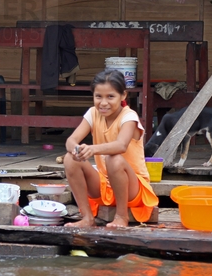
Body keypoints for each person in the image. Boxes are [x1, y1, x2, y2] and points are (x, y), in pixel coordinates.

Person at [64, 69, 158, 228]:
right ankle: (87, 217)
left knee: (114, 158)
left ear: (123, 95)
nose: (103, 103)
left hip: (132, 190)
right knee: (70, 158)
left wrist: (92, 149)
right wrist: (77, 149)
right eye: (98, 96)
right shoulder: (93, 113)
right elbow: (70, 141)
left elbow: (121, 145)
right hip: (104, 185)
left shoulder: (129, 117)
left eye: (110, 97)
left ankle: (121, 216)